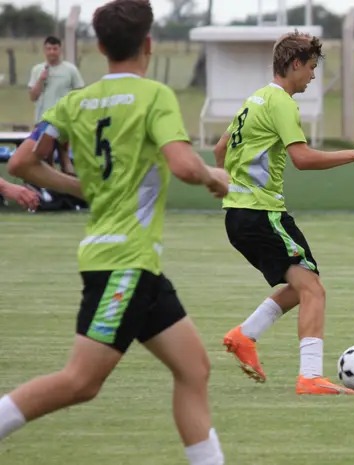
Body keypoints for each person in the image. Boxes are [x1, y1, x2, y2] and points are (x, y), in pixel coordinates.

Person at [1, 2, 229, 464]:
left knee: (193, 368)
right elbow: (184, 166)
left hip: (135, 264)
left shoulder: (75, 101)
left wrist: (78, 186)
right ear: (149, 44)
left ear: (100, 47)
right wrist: (214, 177)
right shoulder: (154, 96)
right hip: (123, 265)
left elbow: (23, 162)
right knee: (80, 382)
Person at [214, 31, 354, 395]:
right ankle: (309, 377)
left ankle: (244, 336)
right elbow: (303, 158)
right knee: (313, 289)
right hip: (261, 213)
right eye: (311, 67)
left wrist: (237, 185)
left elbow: (220, 150)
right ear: (295, 64)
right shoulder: (280, 102)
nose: (312, 76)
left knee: (303, 285)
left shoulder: (254, 100)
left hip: (238, 215)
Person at [28, 36, 85, 125]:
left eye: (55, 49)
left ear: (60, 50)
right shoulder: (37, 70)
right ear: (44, 51)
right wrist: (41, 79)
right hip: (42, 120)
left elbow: (80, 95)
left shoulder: (71, 69)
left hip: (64, 121)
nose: (52, 52)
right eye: (49, 49)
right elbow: (33, 97)